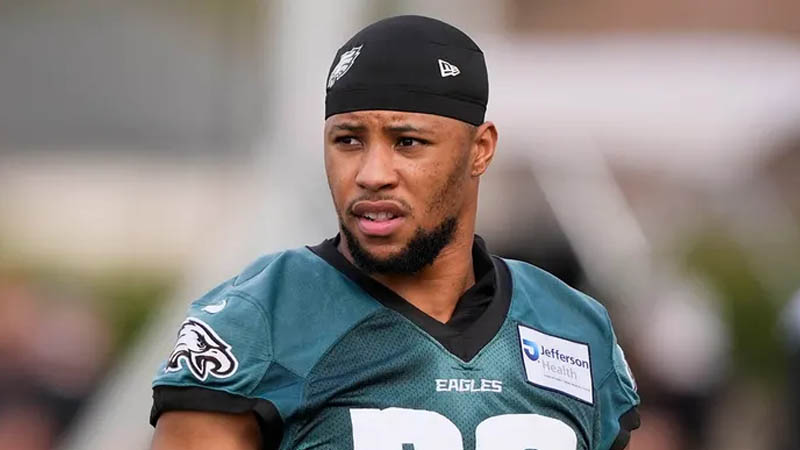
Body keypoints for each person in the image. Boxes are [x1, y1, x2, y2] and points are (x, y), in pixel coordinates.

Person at [149, 15, 640, 450]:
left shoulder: (573, 327)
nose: (372, 174)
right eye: (348, 140)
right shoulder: (261, 320)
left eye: (407, 142)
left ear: (480, 150)